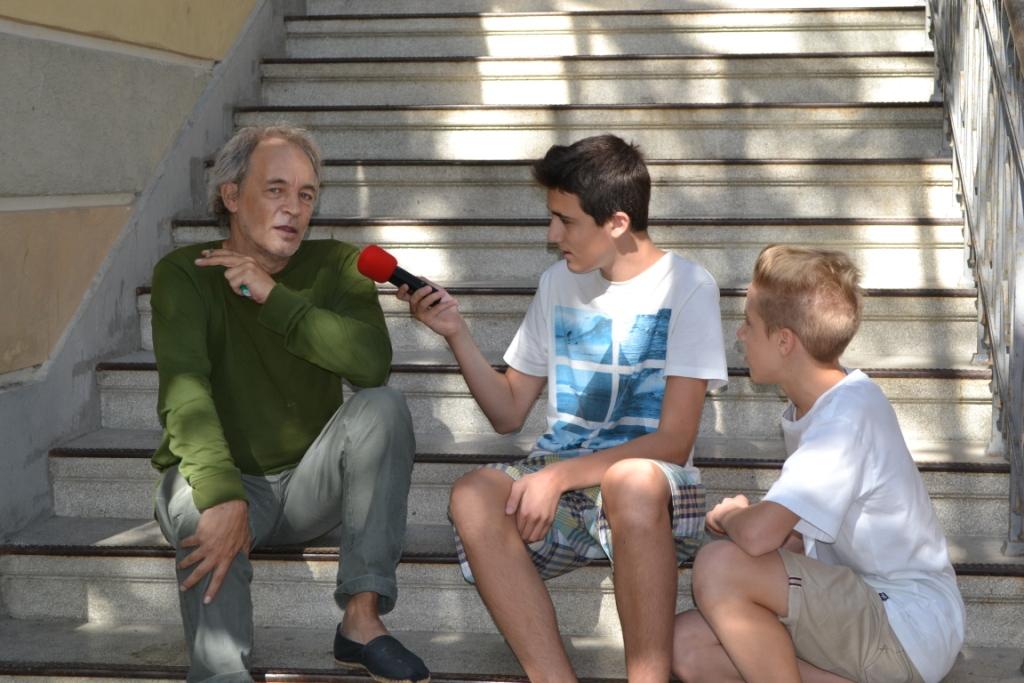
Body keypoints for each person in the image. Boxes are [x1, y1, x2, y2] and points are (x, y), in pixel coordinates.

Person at [399, 134, 728, 682]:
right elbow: (508, 412)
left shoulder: (687, 286)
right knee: (473, 494)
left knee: (632, 480)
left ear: (617, 223)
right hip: (565, 490)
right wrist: (455, 333)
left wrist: (556, 478)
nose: (553, 236)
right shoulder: (557, 284)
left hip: (649, 492)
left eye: (566, 221)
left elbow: (674, 441)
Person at [150, 125, 429, 683]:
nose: (294, 208)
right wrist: (222, 494)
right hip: (228, 476)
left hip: (309, 484)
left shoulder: (338, 265)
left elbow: (370, 365)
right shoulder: (184, 274)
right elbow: (185, 393)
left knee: (384, 406)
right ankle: (221, 674)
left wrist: (274, 297)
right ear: (232, 196)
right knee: (200, 511)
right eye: (276, 190)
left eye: (306, 194)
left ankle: (361, 621)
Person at [671, 245, 965, 683]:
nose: (739, 334)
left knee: (719, 565)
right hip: (864, 613)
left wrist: (733, 515)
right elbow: (793, 541)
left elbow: (758, 535)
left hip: (906, 624)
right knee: (687, 645)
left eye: (749, 323)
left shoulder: (845, 416)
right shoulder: (821, 408)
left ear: (784, 341)